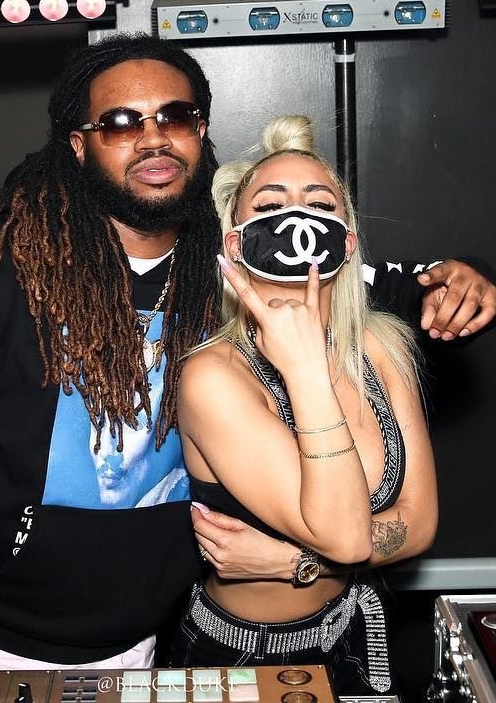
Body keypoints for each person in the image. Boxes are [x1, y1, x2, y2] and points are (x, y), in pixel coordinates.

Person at [0, 34, 496, 703]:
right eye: (121, 122)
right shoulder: (4, 267)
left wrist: (454, 281)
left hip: (147, 639)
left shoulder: (229, 261)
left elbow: (356, 277)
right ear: (79, 145)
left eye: (174, 116)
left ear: (200, 132)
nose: (153, 138)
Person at [167, 115, 437, 695]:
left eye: (320, 204)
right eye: (270, 206)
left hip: (355, 630)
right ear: (235, 244)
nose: (298, 219)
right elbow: (348, 540)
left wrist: (293, 563)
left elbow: (418, 524)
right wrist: (306, 370)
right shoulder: (213, 376)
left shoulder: (385, 348)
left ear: (348, 241)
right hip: (240, 656)